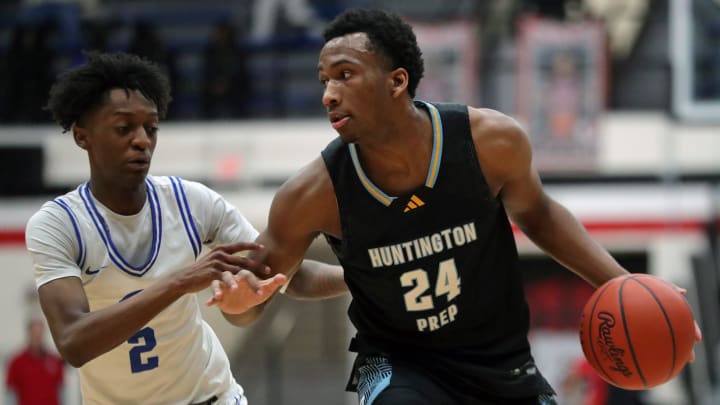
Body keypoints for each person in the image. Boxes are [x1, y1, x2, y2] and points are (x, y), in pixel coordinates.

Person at [210, 8, 702, 405]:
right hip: (399, 363)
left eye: (344, 75)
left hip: (500, 359)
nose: (328, 94)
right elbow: (273, 285)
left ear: (396, 82)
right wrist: (240, 307)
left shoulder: (489, 142)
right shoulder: (312, 193)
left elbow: (539, 215)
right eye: (323, 80)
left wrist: (625, 284)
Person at [24, 51, 340, 405]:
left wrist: (363, 274)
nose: (142, 140)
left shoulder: (192, 202)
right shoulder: (57, 225)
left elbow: (287, 274)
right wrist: (179, 282)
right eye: (124, 128)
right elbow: (73, 342)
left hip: (210, 397)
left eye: (151, 128)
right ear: (83, 136)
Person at [5, 318, 64, 405]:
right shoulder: (16, 362)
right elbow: (10, 394)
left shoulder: (55, 361)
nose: (37, 338)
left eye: (39, 334)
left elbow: (61, 391)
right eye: (35, 334)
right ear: (29, 334)